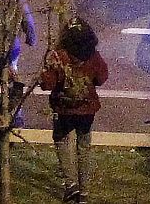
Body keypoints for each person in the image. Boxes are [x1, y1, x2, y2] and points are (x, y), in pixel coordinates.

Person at [40, 17, 109, 204]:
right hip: (87, 109)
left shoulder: (60, 56)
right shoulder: (93, 56)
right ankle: (84, 193)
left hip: (64, 109)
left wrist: (45, 75)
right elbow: (101, 78)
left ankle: (71, 184)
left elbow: (48, 83)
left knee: (62, 140)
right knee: (84, 147)